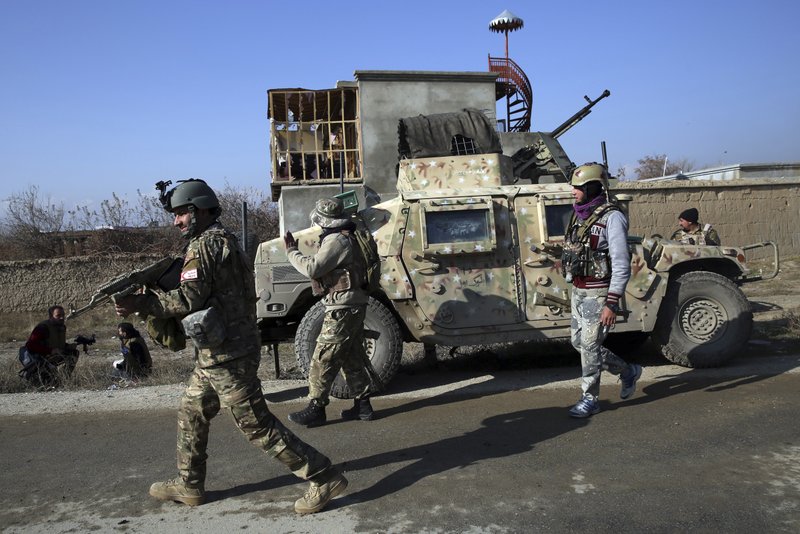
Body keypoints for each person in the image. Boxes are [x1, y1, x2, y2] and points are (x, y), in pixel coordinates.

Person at [114, 179, 346, 514]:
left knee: (255, 425)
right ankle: (189, 483)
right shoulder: (222, 239)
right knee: (192, 411)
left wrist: (143, 304)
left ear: (201, 210)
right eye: (176, 214)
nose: (176, 221)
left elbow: (188, 299)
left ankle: (323, 476)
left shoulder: (204, 245)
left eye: (182, 213)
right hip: (218, 352)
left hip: (228, 355)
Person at [284, 197, 374, 428]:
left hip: (342, 306)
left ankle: (317, 406)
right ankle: (363, 405)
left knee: (323, 356)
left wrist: (292, 252)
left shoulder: (336, 240)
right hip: (351, 303)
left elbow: (313, 268)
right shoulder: (347, 236)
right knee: (350, 355)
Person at [561, 163, 643, 418]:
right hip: (579, 290)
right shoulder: (579, 214)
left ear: (591, 187)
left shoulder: (612, 217)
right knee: (580, 343)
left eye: (577, 188)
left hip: (598, 294)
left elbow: (620, 262)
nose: (573, 192)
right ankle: (627, 371)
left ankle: (590, 398)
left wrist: (611, 302)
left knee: (589, 347)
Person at [22, 305, 79, 386]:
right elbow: (30, 345)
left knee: (74, 353)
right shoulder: (42, 328)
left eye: (63, 315)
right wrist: (50, 351)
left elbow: (56, 343)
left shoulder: (61, 327)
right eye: (58, 316)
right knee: (47, 382)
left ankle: (64, 378)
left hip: (53, 356)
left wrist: (68, 346)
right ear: (51, 316)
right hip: (41, 358)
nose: (62, 318)